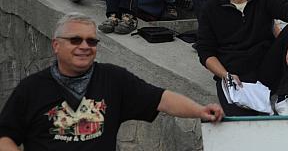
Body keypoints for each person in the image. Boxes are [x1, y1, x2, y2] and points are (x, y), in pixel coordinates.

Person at [0, 13, 223, 150]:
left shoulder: (113, 79)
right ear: (56, 45)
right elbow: (5, 136)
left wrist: (200, 111)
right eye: (75, 40)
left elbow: (161, 99)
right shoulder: (32, 88)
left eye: (91, 41)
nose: (85, 46)